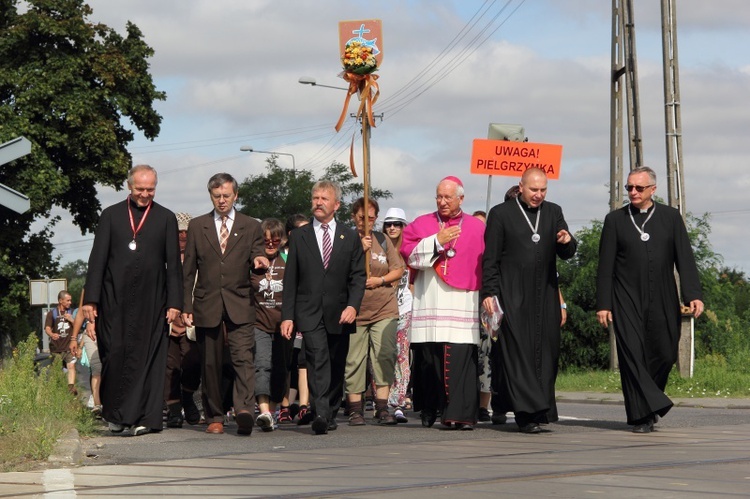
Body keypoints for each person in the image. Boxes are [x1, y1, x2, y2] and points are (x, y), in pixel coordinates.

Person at [596, 166, 704, 433]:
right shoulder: (615, 220)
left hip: (664, 296)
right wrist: (603, 304)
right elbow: (605, 266)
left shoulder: (670, 217)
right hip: (626, 297)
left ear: (653, 190)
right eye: (629, 188)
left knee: (666, 353)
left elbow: (685, 259)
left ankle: (649, 402)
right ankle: (642, 414)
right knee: (632, 354)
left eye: (638, 188)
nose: (633, 192)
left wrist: (693, 294)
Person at [82, 164, 183, 437]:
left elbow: (173, 265)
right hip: (114, 300)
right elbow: (97, 261)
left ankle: (145, 418)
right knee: (114, 356)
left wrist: (175, 302)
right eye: (140, 189)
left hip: (153, 302)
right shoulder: (111, 215)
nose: (145, 194)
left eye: (150, 189)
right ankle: (115, 415)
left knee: (148, 359)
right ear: (129, 186)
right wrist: (91, 300)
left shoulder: (165, 218)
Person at [481, 168, 577, 434]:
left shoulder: (553, 212)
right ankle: (526, 414)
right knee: (519, 353)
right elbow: (490, 259)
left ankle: (540, 409)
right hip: (512, 292)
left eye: (543, 190)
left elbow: (567, 251)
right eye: (534, 190)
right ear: (521, 187)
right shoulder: (501, 214)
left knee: (547, 352)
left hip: (545, 293)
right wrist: (489, 292)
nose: (539, 195)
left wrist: (567, 240)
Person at [182, 173, 268, 436]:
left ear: (236, 196)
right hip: (206, 304)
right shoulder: (198, 226)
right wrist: (186, 306)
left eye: (226, 196)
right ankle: (215, 416)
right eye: (217, 196)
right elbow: (187, 271)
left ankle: (244, 410)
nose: (222, 201)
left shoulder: (251, 225)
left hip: (240, 302)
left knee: (243, 358)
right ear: (211, 196)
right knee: (210, 364)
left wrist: (260, 261)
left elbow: (257, 252)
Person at [280, 180, 366, 435]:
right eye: (315, 197)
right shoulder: (300, 236)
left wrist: (353, 306)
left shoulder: (349, 236)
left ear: (336, 204)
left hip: (340, 312)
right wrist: (288, 316)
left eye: (324, 198)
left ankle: (328, 410)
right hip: (309, 311)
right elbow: (291, 279)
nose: (318, 202)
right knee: (317, 359)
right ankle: (320, 412)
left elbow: (358, 277)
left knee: (336, 363)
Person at [400, 176, 485, 430]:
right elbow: (407, 252)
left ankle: (461, 415)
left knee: (460, 358)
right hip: (430, 298)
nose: (442, 201)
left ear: (461, 198)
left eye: (448, 197)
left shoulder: (477, 227)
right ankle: (429, 407)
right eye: (439, 196)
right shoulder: (423, 223)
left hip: (462, 302)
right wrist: (437, 240)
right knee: (429, 359)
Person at [344, 198, 404, 426]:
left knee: (384, 355)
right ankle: (355, 409)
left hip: (384, 308)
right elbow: (337, 270)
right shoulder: (346, 239)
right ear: (353, 217)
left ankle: (382, 407)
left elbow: (398, 269)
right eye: (361, 218)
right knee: (355, 360)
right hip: (356, 311)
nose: (366, 223)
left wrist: (379, 279)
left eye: (371, 218)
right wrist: (359, 250)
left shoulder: (382, 239)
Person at [250, 218, 294, 432]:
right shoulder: (252, 264)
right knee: (262, 364)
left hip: (284, 324)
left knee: (281, 368)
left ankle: (273, 411)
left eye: (274, 241)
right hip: (259, 323)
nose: (270, 244)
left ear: (281, 241)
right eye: (265, 241)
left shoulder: (288, 262)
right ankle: (264, 411)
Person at [163, 212, 202, 428]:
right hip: (167, 320)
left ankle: (188, 396)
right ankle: (175, 409)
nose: (183, 235)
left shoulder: (199, 257)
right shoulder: (162, 257)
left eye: (187, 231)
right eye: (179, 232)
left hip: (192, 319)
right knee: (170, 366)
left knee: (193, 362)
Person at [383, 207, 412, 423]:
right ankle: (381, 402)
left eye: (397, 224)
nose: (392, 228)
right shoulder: (378, 249)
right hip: (382, 311)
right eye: (388, 224)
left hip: (404, 309)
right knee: (382, 356)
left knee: (402, 356)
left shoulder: (409, 252)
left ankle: (398, 402)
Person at [71, 290, 102, 417]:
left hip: (110, 331)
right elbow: (80, 313)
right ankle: (97, 405)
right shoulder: (88, 288)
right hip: (90, 334)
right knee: (96, 368)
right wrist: (74, 339)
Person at [44, 290, 78, 395]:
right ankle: (57, 390)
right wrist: (51, 334)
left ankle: (71, 388)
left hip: (69, 346)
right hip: (56, 347)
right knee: (57, 370)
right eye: (67, 300)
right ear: (60, 301)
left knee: (71, 366)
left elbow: (79, 326)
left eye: (70, 300)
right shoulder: (52, 314)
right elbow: (47, 328)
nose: (70, 302)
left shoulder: (72, 313)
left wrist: (72, 320)